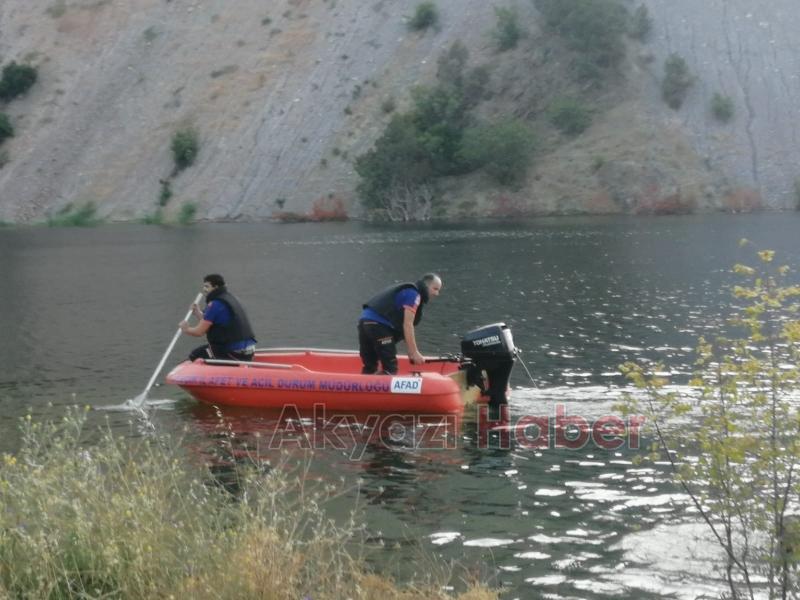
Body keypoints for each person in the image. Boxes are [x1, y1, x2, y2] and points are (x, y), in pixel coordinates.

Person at [358, 273, 442, 375]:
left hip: (364, 322)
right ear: (426, 286)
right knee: (390, 368)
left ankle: (365, 386)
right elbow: (408, 325)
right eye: (435, 289)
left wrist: (411, 351)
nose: (437, 294)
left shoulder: (406, 290)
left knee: (370, 365)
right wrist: (414, 353)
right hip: (378, 325)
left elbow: (402, 327)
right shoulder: (413, 294)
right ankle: (386, 384)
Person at [179, 274, 257, 362]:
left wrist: (186, 329)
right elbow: (212, 322)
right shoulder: (232, 298)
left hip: (234, 352)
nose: (204, 289)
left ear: (215, 287)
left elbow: (199, 332)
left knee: (194, 355)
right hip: (249, 351)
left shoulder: (215, 305)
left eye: (207, 286)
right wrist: (197, 313)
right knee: (204, 351)